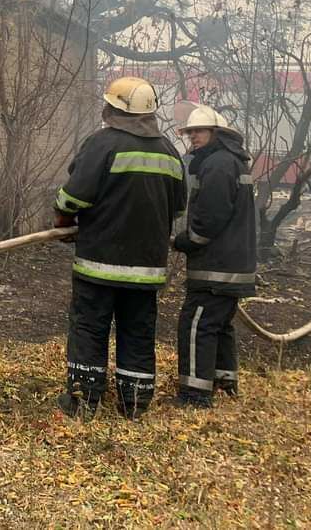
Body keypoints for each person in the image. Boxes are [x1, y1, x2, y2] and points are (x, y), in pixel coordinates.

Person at [53, 76, 187, 419]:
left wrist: (64, 224)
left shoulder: (102, 144)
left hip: (99, 263)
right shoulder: (170, 152)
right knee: (138, 332)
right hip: (146, 270)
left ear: (113, 108)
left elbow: (72, 197)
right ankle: (135, 404)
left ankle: (83, 401)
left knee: (89, 327)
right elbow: (178, 208)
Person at [172, 105, 256, 408]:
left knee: (196, 324)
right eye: (190, 131)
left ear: (216, 133)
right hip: (232, 265)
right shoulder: (231, 161)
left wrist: (186, 240)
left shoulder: (218, 164)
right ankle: (224, 382)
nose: (192, 136)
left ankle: (195, 394)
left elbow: (210, 217)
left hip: (216, 268)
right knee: (220, 325)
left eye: (199, 130)